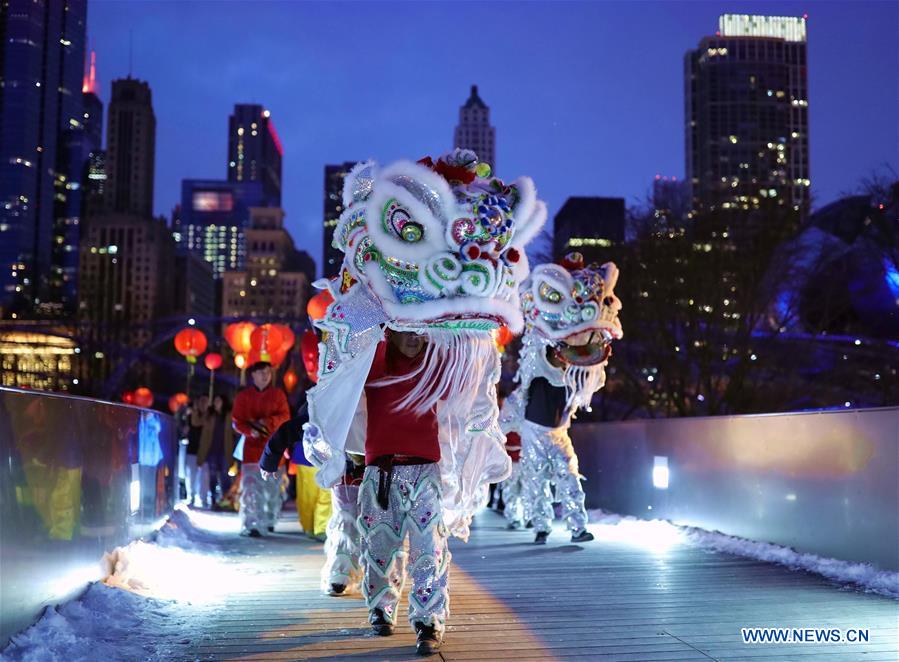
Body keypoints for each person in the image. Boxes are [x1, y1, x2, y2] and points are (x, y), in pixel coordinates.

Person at [500, 255, 623, 544]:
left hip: (559, 434)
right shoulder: (536, 373)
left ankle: (578, 527)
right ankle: (541, 526)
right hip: (532, 435)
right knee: (536, 482)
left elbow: (594, 369)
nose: (567, 357)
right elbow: (508, 414)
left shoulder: (573, 378)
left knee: (570, 477)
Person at [357, 330, 448, 654]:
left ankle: (429, 621)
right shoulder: (374, 362)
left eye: (421, 328)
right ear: (391, 331)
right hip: (382, 470)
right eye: (406, 328)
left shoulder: (436, 363)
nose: (415, 336)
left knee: (429, 547)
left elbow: (463, 386)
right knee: (381, 545)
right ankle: (381, 608)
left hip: (425, 470)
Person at [231, 362, 290, 537]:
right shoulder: (243, 397)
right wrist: (250, 431)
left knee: (272, 488)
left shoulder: (278, 394)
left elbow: (285, 417)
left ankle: (270, 518)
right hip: (251, 450)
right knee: (250, 487)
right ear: (253, 375)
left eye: (267, 372)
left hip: (273, 449)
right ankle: (251, 523)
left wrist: (267, 423)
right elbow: (237, 421)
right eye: (261, 372)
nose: (265, 376)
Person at [260, 400, 331, 540]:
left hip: (324, 458)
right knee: (312, 494)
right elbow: (291, 429)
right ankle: (314, 527)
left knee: (322, 494)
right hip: (309, 456)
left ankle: (319, 527)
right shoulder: (314, 400)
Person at [197, 394, 233, 509]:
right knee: (212, 477)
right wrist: (194, 408)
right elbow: (196, 422)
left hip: (224, 451)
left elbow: (235, 430)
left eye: (219, 400)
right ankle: (213, 500)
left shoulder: (228, 416)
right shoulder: (210, 415)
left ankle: (226, 500)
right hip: (211, 450)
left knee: (224, 477)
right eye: (215, 400)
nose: (217, 403)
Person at [186, 395, 209, 507]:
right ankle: (191, 496)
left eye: (206, 402)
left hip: (205, 450)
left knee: (204, 476)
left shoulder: (210, 417)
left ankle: (203, 498)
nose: (203, 404)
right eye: (202, 401)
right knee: (191, 475)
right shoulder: (192, 415)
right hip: (192, 449)